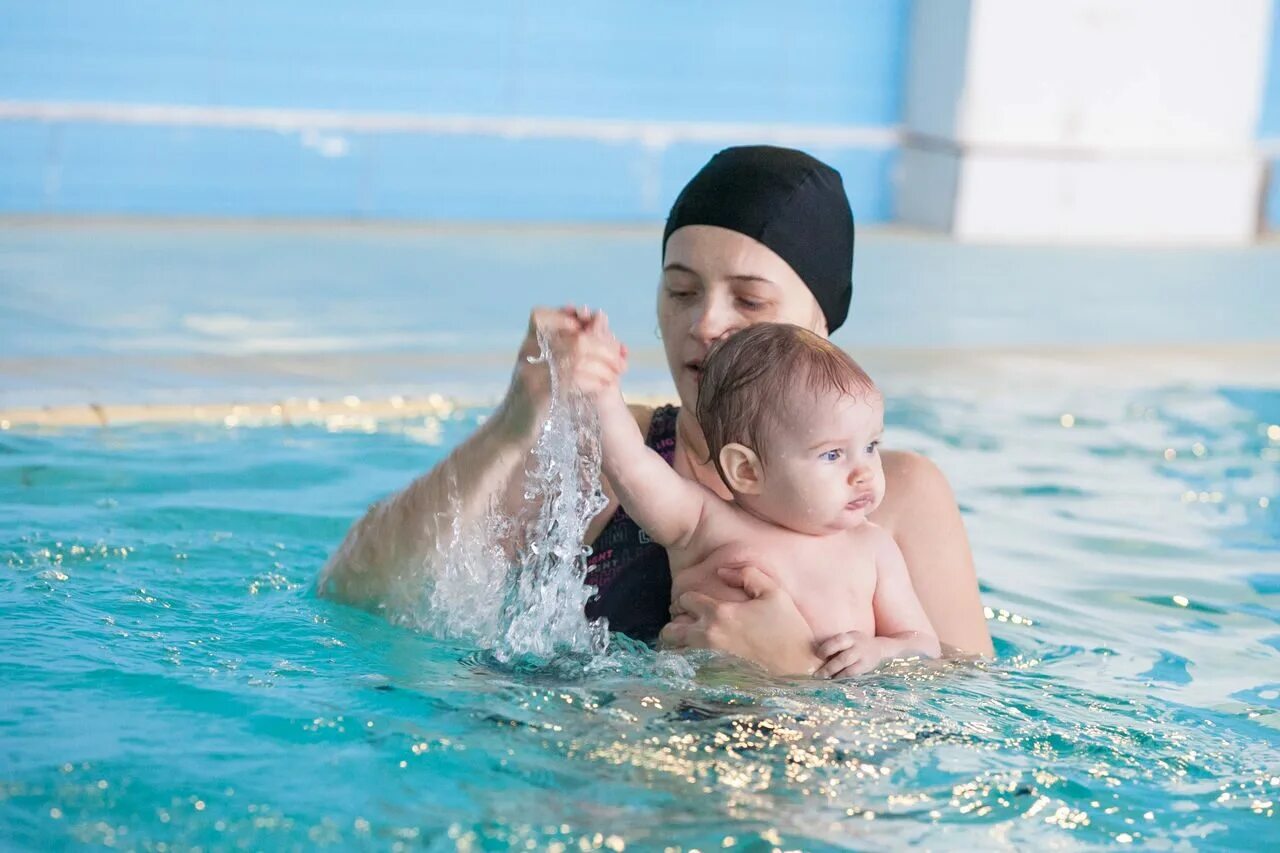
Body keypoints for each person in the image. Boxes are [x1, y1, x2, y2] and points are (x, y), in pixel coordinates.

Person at [318, 145, 993, 673]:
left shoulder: (895, 494)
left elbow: (971, 714)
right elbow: (361, 597)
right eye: (681, 290)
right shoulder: (607, 450)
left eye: (750, 301)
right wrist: (512, 427)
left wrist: (793, 668)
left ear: (820, 325)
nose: (705, 323)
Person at [572, 315, 941, 677]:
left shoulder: (874, 550)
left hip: (823, 725)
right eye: (832, 454)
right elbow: (630, 465)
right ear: (746, 470)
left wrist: (880, 651)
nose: (864, 472)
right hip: (698, 718)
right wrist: (601, 391)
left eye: (871, 445)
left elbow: (923, 645)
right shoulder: (703, 523)